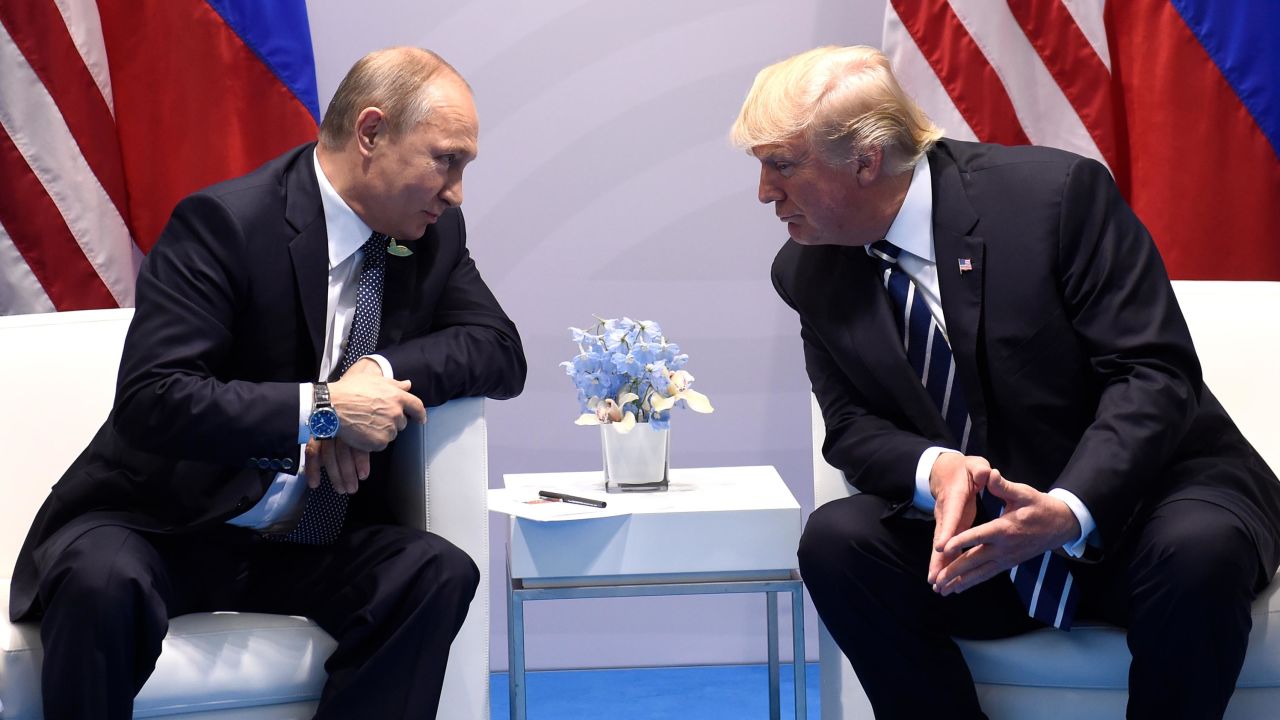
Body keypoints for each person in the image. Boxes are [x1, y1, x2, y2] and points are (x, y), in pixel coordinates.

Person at [731, 45, 1280, 719]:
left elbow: (1151, 374)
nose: (765, 192)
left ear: (866, 160)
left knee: (1200, 550)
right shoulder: (809, 270)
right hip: (986, 542)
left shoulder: (1053, 199)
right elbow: (852, 427)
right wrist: (936, 469)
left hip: (1142, 505)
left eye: (781, 164)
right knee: (838, 542)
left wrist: (1070, 507)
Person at [8, 47, 526, 719]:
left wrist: (378, 372)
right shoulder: (226, 224)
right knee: (101, 578)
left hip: (305, 541)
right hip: (165, 524)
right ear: (371, 134)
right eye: (445, 160)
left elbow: (498, 350)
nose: (456, 191)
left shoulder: (427, 235)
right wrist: (325, 412)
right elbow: (154, 397)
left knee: (432, 573)